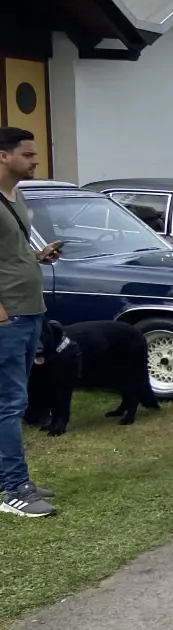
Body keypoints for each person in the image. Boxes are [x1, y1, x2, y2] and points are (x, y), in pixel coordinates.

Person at [0, 127, 61, 517]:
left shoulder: (16, 196)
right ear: (4, 156)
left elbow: (10, 251)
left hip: (30, 307)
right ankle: (13, 489)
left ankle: (12, 477)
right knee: (10, 403)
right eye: (27, 154)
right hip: (10, 316)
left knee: (14, 400)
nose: (35, 160)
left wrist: (37, 257)